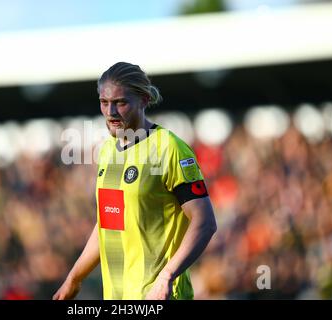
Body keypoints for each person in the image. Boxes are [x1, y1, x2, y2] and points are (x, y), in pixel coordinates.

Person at [53, 62, 217, 300]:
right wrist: (74, 279)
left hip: (160, 296)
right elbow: (108, 224)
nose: (111, 112)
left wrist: (167, 276)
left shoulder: (169, 148)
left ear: (144, 100)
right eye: (104, 102)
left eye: (120, 102)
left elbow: (205, 222)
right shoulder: (108, 151)